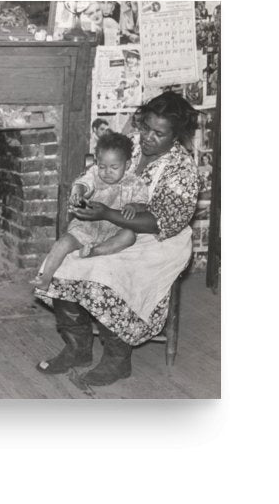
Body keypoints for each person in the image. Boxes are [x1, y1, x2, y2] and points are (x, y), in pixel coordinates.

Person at [34, 91, 199, 388]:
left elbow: (161, 221)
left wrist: (107, 214)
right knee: (62, 263)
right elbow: (98, 175)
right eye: (145, 127)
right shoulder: (131, 145)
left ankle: (117, 360)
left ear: (176, 135)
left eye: (158, 133)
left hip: (158, 240)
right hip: (109, 225)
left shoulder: (182, 169)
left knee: (106, 275)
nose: (147, 137)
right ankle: (78, 349)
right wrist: (86, 199)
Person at [33, 132, 149, 291]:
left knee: (129, 236)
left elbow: (143, 203)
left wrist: (134, 207)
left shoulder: (135, 183)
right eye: (102, 166)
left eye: (114, 167)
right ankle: (45, 278)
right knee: (63, 242)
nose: (107, 172)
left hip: (114, 231)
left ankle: (95, 251)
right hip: (87, 227)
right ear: (96, 163)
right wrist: (77, 193)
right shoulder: (94, 174)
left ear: (127, 165)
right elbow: (82, 184)